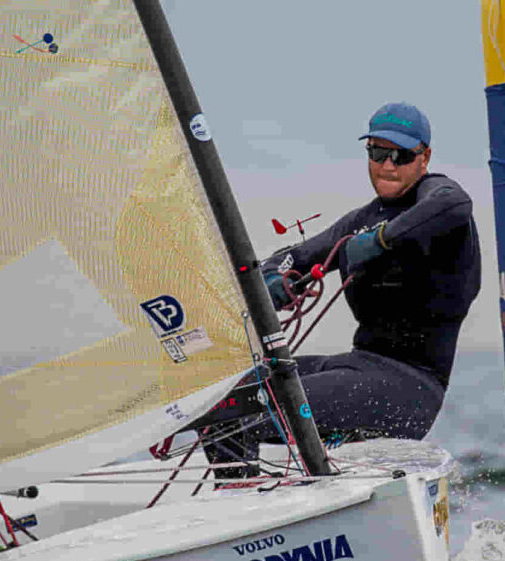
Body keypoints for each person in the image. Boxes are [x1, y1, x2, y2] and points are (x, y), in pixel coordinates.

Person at [198, 101, 481, 477]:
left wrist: (383, 239)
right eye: (378, 153)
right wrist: (272, 280)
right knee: (223, 398)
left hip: (410, 388)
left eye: (401, 154)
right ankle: (237, 503)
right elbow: (296, 256)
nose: (388, 165)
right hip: (358, 366)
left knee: (249, 409)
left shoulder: (438, 204)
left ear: (424, 157)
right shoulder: (360, 221)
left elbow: (455, 203)